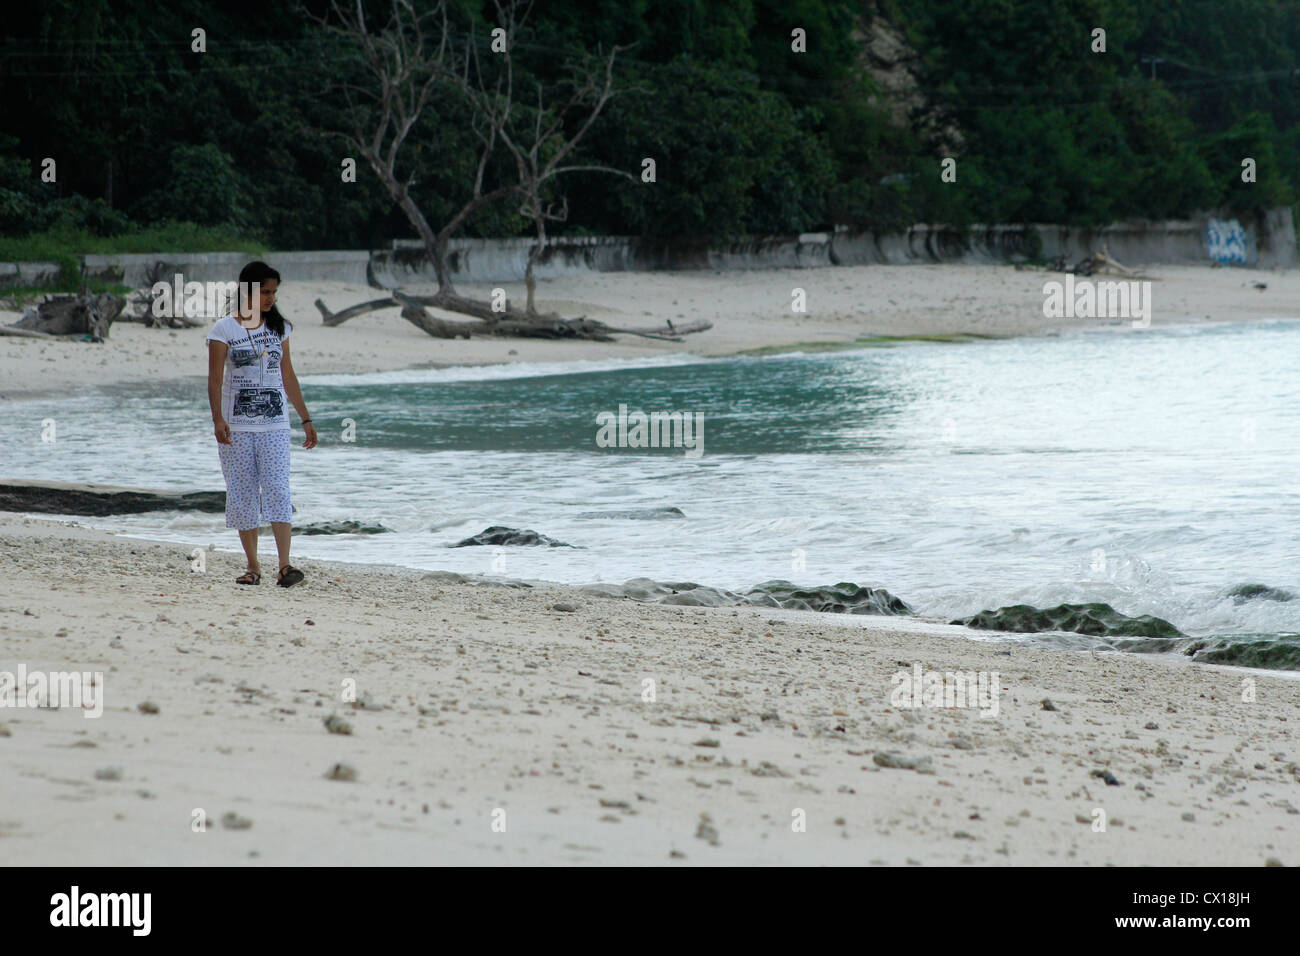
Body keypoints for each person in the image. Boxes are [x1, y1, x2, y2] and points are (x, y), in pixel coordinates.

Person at [205, 261, 318, 586]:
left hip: (275, 427)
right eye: (265, 291)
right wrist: (218, 419)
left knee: (278, 489)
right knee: (242, 493)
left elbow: (288, 375)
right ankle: (253, 566)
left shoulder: (279, 328)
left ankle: (284, 565)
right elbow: (214, 380)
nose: (270, 298)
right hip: (236, 427)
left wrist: (305, 418)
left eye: (274, 292)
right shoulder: (224, 330)